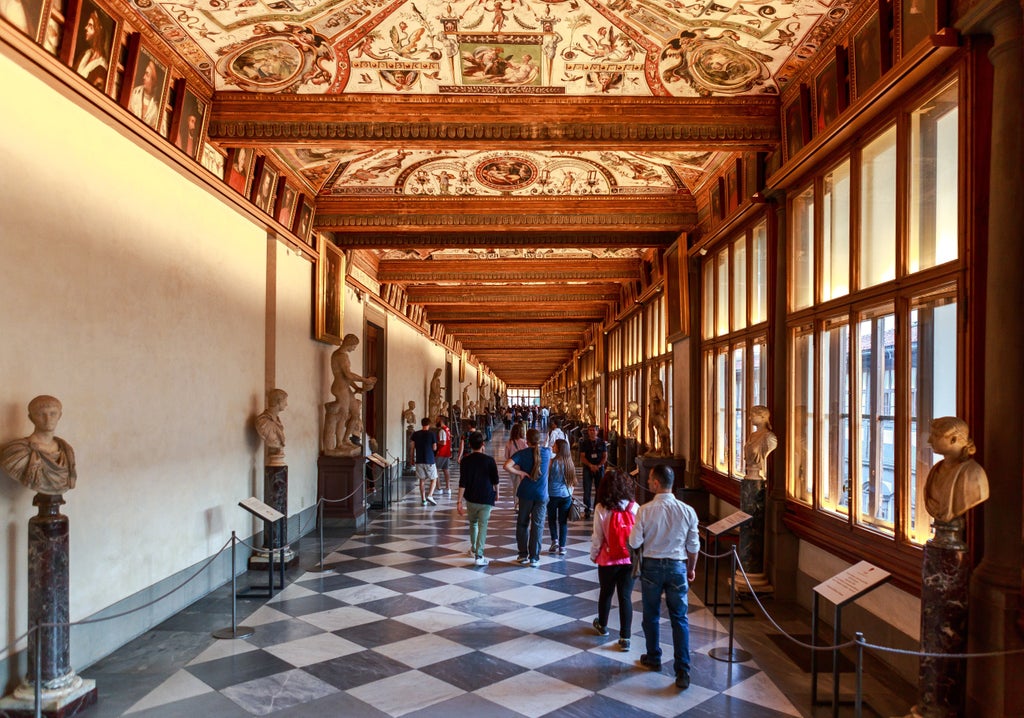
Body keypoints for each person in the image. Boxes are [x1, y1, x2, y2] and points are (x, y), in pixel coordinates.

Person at [628, 464, 700, 690]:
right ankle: (682, 670)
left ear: (657, 483)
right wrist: (691, 568)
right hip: (678, 566)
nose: (648, 482)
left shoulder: (645, 510)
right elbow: (693, 546)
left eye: (649, 479)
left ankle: (654, 656)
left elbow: (634, 542)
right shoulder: (688, 510)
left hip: (652, 566)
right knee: (680, 618)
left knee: (651, 615)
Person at [590, 468, 638, 650]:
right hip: (628, 559)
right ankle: (625, 637)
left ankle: (602, 625)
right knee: (625, 596)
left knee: (606, 592)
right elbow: (640, 534)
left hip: (608, 558)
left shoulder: (602, 508)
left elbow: (598, 536)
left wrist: (594, 554)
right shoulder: (634, 507)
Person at [0, 395, 77, 495]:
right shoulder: (17, 452)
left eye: (53, 413)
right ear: (31, 418)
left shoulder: (66, 450)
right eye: (40, 414)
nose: (47, 419)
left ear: (60, 415)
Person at [923, 416, 989, 523]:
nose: (929, 440)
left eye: (935, 435)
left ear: (953, 439)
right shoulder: (935, 469)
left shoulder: (974, 474)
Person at [323, 333, 376, 454]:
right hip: (339, 388)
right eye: (354, 346)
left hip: (345, 387)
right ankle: (340, 443)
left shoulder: (343, 355)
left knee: (356, 413)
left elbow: (347, 377)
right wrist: (365, 380)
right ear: (349, 343)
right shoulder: (341, 356)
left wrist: (357, 387)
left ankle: (346, 439)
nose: (354, 349)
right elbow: (347, 375)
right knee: (343, 415)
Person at [505, 428, 551, 567]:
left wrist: (520, 473)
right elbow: (548, 448)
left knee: (522, 524)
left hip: (525, 493)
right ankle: (534, 557)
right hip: (541, 495)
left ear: (527, 441)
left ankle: (522, 554)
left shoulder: (522, 454)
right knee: (537, 525)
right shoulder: (547, 452)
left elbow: (506, 466)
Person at [457, 431, 500, 566]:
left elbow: (462, 482)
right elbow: (495, 480)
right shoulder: (489, 460)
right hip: (486, 497)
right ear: (483, 444)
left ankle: (474, 549)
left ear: (469, 445)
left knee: (473, 524)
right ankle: (479, 554)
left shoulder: (465, 461)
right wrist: (497, 493)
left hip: (471, 498)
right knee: (483, 526)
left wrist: (459, 501)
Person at [546, 438, 575, 555]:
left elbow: (547, 477)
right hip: (566, 495)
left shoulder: (552, 462)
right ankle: (562, 547)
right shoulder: (570, 462)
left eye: (555, 445)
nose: (552, 446)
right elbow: (573, 481)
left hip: (553, 494)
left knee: (552, 519)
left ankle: (554, 540)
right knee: (563, 522)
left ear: (559, 448)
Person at [578, 424, 607, 520]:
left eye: (593, 430)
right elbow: (582, 456)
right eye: (590, 430)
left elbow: (604, 456)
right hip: (587, 467)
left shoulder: (602, 443)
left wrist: (598, 466)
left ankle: (597, 509)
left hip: (599, 468)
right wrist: (590, 465)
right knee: (587, 489)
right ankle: (587, 510)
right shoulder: (584, 443)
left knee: (600, 489)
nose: (591, 432)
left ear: (597, 432)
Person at [75, 9, 108, 91]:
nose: (86, 28)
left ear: (98, 32)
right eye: (87, 25)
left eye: (90, 26)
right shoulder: (85, 53)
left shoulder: (102, 67)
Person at [743, 405, 778, 480]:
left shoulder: (769, 437)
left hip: (755, 477)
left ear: (762, 417)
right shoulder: (752, 435)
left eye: (752, 415)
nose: (749, 418)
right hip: (750, 476)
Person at [255, 388, 287, 466]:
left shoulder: (277, 421)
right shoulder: (263, 421)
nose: (286, 404)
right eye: (285, 401)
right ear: (279, 402)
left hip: (279, 460)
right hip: (274, 462)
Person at [410, 417, 438, 506]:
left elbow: (412, 448)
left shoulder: (415, 434)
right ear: (429, 424)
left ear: (422, 424)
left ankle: (423, 500)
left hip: (419, 460)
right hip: (429, 459)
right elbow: (434, 448)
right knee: (434, 478)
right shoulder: (432, 434)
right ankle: (430, 495)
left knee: (422, 480)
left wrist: (411, 458)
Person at [503, 421, 529, 510]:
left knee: (515, 485)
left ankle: (516, 503)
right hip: (523, 467)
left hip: (512, 468)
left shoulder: (509, 443)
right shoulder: (524, 442)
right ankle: (522, 503)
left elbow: (506, 456)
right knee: (522, 485)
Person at [129, 57, 161, 129]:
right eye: (144, 73)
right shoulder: (135, 93)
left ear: (153, 81)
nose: (144, 77)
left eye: (147, 75)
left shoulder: (156, 106)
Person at [435, 415, 453, 494]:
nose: (436, 421)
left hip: (441, 452)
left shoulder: (442, 430)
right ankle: (448, 488)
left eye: (437, 420)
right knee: (446, 470)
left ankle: (438, 488)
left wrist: (435, 441)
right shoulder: (447, 429)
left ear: (441, 421)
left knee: (436, 470)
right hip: (447, 452)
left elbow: (443, 442)